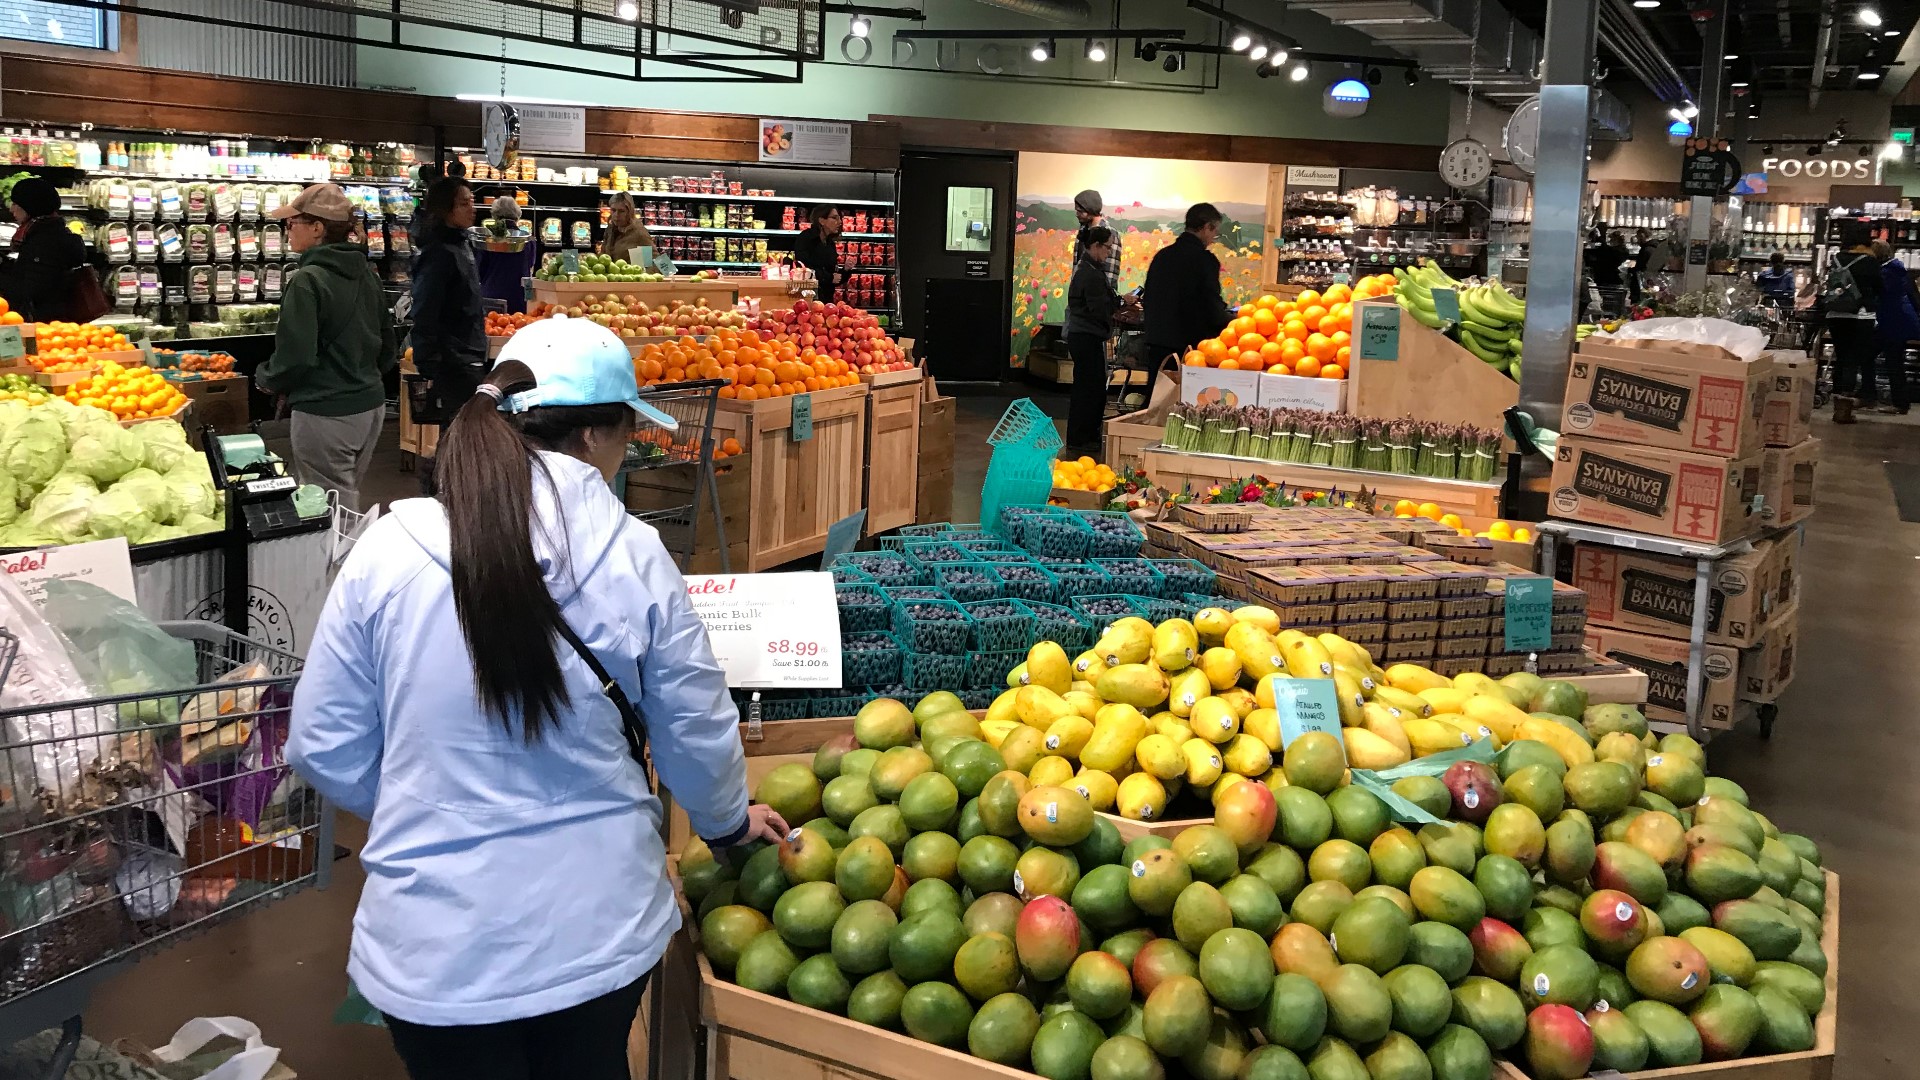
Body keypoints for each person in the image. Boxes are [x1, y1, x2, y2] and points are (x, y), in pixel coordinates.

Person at [288, 316, 787, 1080]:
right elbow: (694, 725)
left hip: (432, 951)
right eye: (626, 435)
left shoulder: (391, 545)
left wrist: (436, 802)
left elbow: (323, 743)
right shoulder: (632, 555)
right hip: (596, 932)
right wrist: (726, 825)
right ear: (594, 437)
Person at [257, 183, 395, 513]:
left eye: (292, 224)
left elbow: (297, 357)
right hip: (370, 407)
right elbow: (389, 346)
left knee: (328, 509)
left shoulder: (307, 281)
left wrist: (266, 378)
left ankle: (341, 565)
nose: (287, 231)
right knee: (346, 494)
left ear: (317, 228)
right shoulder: (366, 271)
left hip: (326, 410)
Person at [408, 177, 487, 490]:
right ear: (445, 209)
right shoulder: (439, 252)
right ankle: (445, 492)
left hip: (465, 353)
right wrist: (433, 360)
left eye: (471, 201)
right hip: (454, 358)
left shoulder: (459, 243)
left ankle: (450, 491)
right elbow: (425, 309)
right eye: (464, 203)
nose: (472, 208)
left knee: (462, 431)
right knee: (459, 431)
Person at [1065, 226, 1130, 453]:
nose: (1109, 253)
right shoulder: (1090, 274)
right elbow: (1098, 308)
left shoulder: (1089, 269)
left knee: (1088, 387)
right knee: (1090, 389)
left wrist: (1118, 303)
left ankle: (1082, 436)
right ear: (1095, 246)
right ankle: (1082, 438)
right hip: (1086, 336)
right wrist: (1119, 307)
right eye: (1107, 248)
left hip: (1084, 335)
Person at [1143, 203, 1231, 365]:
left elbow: (1148, 298)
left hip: (1157, 342)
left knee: (1159, 389)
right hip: (1189, 349)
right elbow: (1211, 306)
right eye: (1214, 231)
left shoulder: (1162, 256)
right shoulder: (1204, 261)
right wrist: (1231, 320)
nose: (1214, 238)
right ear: (1206, 227)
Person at [0, 177, 91, 322]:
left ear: (30, 207)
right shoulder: (46, 232)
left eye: (16, 203)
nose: (11, 209)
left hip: (46, 325)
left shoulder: (44, 241)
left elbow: (32, 290)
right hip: (57, 320)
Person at [1824, 219, 1883, 424]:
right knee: (1852, 360)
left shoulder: (1837, 258)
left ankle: (1837, 404)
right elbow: (1879, 288)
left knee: (1841, 357)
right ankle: (1844, 411)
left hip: (1836, 314)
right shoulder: (1870, 261)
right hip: (1861, 315)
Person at [1870, 239, 1915, 415]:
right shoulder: (1898, 269)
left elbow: (1881, 295)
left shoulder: (1887, 272)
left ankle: (1898, 402)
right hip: (1899, 321)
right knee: (1893, 361)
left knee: (1892, 361)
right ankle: (1896, 400)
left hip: (1892, 322)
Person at [1071, 189, 1121, 299]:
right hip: (1077, 303)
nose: (1077, 214)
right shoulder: (1084, 230)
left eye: (1080, 211)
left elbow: (1110, 276)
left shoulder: (1110, 233)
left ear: (1090, 209)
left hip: (1095, 305)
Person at [793, 204, 842, 304]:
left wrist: (846, 270)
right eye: (834, 218)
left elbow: (834, 275)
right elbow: (803, 268)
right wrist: (829, 277)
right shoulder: (806, 238)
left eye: (839, 218)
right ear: (821, 220)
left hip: (826, 299)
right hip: (807, 298)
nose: (840, 222)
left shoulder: (830, 243)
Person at [603, 191, 654, 264]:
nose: (616, 215)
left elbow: (653, 260)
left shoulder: (638, 233)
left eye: (621, 211)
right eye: (613, 210)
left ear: (629, 212)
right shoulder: (611, 229)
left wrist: (670, 273)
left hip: (630, 274)